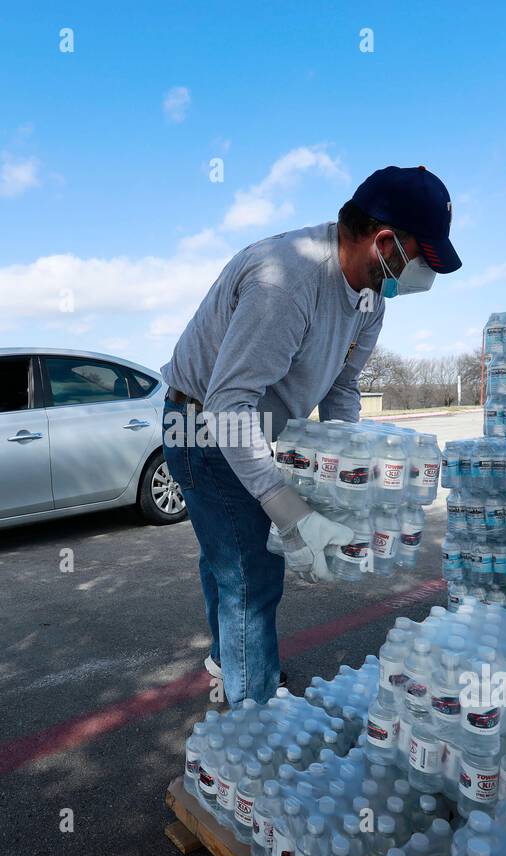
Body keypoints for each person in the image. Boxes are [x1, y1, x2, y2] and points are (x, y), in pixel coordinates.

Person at [161, 166, 460, 705]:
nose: (424, 277)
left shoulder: (372, 299)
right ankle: (253, 717)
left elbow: (343, 387)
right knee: (251, 572)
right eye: (422, 258)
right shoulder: (286, 281)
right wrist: (290, 511)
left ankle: (230, 657)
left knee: (227, 554)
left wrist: (350, 470)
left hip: (249, 423)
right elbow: (230, 404)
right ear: (385, 242)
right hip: (202, 427)